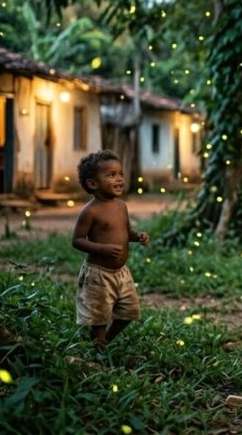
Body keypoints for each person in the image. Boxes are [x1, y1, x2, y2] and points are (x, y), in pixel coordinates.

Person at [72, 150, 150, 350]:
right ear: (93, 184)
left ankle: (106, 340)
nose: (119, 179)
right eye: (111, 175)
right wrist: (102, 249)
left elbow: (125, 231)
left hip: (122, 273)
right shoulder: (90, 211)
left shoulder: (121, 206)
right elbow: (78, 241)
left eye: (120, 174)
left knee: (130, 311)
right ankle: (99, 348)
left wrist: (137, 236)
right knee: (99, 316)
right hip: (98, 273)